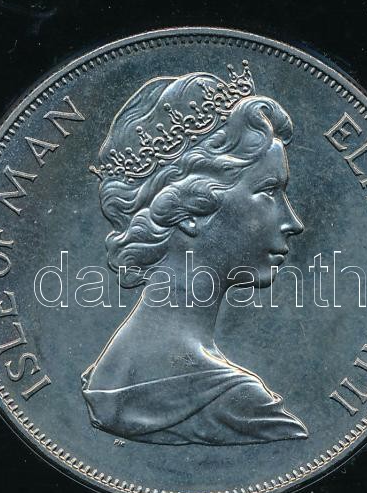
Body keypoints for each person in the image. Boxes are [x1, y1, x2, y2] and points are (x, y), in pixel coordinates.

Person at [81, 61, 308, 445]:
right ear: (189, 210)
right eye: (269, 191)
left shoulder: (108, 373)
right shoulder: (241, 406)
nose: (293, 222)